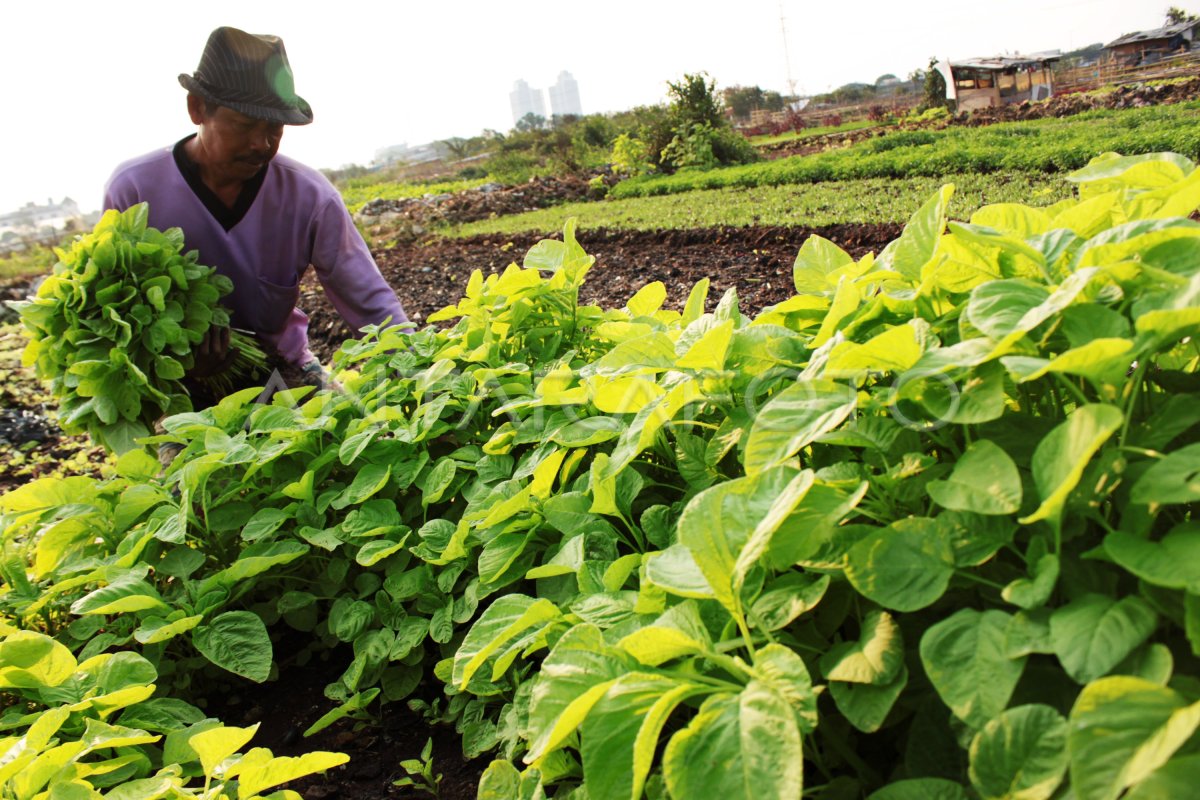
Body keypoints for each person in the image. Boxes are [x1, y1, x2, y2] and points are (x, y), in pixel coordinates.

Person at [103, 26, 408, 393]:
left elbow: (368, 297)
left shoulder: (309, 196)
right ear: (197, 108)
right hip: (176, 385)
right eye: (245, 125)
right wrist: (177, 359)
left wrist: (418, 372)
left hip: (283, 368)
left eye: (274, 129)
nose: (261, 144)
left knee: (352, 437)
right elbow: (118, 311)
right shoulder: (134, 190)